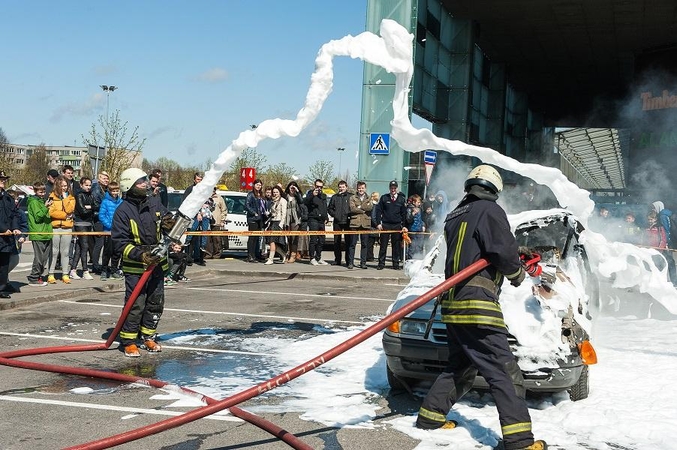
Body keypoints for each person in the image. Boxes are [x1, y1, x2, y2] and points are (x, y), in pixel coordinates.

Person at [415, 165, 546, 450]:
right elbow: (502, 251)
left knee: (460, 367)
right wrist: (517, 273)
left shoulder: (455, 215)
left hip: (452, 303)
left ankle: (430, 416)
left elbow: (478, 250)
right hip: (478, 304)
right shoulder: (490, 210)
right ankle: (520, 441)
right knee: (504, 372)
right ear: (494, 190)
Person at [112, 168, 172, 358]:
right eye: (141, 182)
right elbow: (119, 243)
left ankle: (148, 335)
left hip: (157, 263)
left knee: (155, 301)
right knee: (136, 303)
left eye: (146, 180)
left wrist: (169, 222)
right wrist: (141, 256)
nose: (146, 183)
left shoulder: (154, 202)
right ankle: (129, 341)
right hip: (136, 266)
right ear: (129, 186)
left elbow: (165, 217)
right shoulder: (122, 211)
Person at [47, 175, 76, 284]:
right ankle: (51, 274)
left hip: (67, 228)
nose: (64, 188)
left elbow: (70, 209)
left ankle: (65, 274)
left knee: (65, 252)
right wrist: (64, 216)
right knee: (54, 252)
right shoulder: (52, 196)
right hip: (55, 227)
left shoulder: (71, 198)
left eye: (66, 186)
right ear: (57, 186)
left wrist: (65, 198)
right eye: (62, 186)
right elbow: (51, 212)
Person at [374, 180, 407, 270]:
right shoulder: (384, 198)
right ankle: (381, 263)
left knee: (396, 246)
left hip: (396, 225)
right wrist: (378, 223)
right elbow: (378, 211)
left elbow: (404, 214)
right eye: (391, 188)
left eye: (394, 188)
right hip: (386, 225)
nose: (393, 189)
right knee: (383, 245)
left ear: (397, 188)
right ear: (389, 188)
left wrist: (404, 225)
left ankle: (395, 264)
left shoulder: (401, 199)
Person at [26, 182, 53, 286]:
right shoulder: (33, 202)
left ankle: (38, 276)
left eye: (44, 192)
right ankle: (34, 277)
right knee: (39, 258)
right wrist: (46, 207)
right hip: (38, 233)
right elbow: (38, 217)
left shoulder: (42, 201)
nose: (42, 194)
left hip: (46, 233)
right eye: (40, 192)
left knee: (44, 258)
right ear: (35, 191)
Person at [0, 170, 21, 298]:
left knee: (4, 265)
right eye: (0, 178)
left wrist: (15, 228)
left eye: (3, 179)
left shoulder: (7, 197)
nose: (3, 180)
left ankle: (1, 289)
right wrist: (2, 229)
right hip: (2, 233)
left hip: (6, 238)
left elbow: (14, 215)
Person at [70, 177, 96, 280]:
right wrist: (90, 208)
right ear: (81, 185)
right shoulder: (79, 195)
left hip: (88, 223)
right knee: (84, 246)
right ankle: (85, 270)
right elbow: (83, 211)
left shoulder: (90, 195)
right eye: (86, 185)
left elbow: (97, 206)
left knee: (80, 247)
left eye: (90, 185)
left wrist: (91, 207)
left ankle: (73, 270)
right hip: (80, 223)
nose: (88, 187)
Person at [98, 181, 124, 281]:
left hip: (119, 231)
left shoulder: (121, 202)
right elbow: (102, 216)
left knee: (117, 252)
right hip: (108, 231)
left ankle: (114, 270)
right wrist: (110, 225)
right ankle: (104, 270)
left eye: (117, 191)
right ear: (109, 191)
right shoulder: (105, 202)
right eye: (113, 191)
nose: (115, 193)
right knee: (107, 251)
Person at [4, 189, 28, 294]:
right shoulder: (4, 211)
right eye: (14, 199)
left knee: (14, 260)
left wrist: (22, 235)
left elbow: (24, 226)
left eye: (17, 199)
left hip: (14, 241)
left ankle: (4, 280)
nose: (16, 201)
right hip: (4, 240)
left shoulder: (20, 213)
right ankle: (4, 281)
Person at [348, 181, 372, 269]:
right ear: (357, 188)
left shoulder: (369, 197)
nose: (360, 189)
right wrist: (362, 209)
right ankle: (350, 262)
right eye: (359, 188)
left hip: (365, 224)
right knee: (352, 244)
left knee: (365, 244)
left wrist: (359, 207)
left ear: (365, 188)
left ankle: (363, 263)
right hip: (355, 223)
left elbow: (370, 207)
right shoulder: (352, 197)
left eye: (362, 188)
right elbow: (352, 209)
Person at [650, 201, 676, 284]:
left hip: (666, 242)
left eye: (654, 207)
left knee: (668, 260)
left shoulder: (662, 216)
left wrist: (667, 243)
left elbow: (666, 230)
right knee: (669, 261)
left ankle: (672, 281)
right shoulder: (667, 214)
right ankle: (672, 281)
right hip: (669, 241)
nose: (653, 209)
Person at [327, 180, 352, 267]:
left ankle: (349, 261)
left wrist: (350, 215)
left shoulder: (350, 196)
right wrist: (335, 215)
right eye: (340, 187)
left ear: (346, 187)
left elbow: (353, 208)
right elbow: (329, 208)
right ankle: (337, 260)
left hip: (347, 222)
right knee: (336, 241)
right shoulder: (334, 197)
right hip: (337, 222)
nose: (341, 188)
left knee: (348, 242)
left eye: (343, 187)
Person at [305, 179, 329, 266]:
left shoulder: (323, 196)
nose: (319, 188)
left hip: (321, 220)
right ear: (314, 186)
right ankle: (312, 258)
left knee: (321, 240)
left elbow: (324, 207)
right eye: (317, 186)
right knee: (313, 240)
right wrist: (312, 195)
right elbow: (305, 202)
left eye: (321, 187)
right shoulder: (310, 194)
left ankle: (318, 257)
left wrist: (326, 217)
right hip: (313, 219)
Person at [264, 185, 288, 265]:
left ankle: (271, 259)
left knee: (273, 241)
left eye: (276, 192)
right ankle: (283, 254)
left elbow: (284, 213)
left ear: (280, 192)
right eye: (273, 192)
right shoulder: (272, 201)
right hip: (272, 222)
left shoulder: (283, 201)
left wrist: (281, 224)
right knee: (271, 241)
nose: (275, 194)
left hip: (278, 222)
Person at [245, 179, 266, 263]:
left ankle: (255, 255)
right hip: (252, 219)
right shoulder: (250, 194)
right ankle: (250, 255)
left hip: (259, 219)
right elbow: (247, 205)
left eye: (260, 185)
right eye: (257, 184)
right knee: (252, 237)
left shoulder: (260, 195)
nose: (258, 186)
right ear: (253, 185)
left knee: (257, 238)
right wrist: (254, 213)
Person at [205, 187, 228, 259]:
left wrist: (222, 220)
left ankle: (217, 254)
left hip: (216, 222)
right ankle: (208, 254)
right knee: (207, 240)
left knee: (216, 239)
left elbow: (224, 210)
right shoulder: (205, 197)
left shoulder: (219, 198)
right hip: (207, 222)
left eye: (213, 189)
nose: (212, 191)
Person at [284, 181, 303, 263]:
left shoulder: (297, 196)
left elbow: (302, 201)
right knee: (288, 237)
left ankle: (293, 254)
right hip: (287, 218)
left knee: (294, 237)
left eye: (294, 187)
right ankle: (289, 252)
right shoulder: (285, 196)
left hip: (296, 218)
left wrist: (297, 191)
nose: (292, 189)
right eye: (291, 187)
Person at [405, 194, 425, 259]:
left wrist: (423, 225)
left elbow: (421, 219)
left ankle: (418, 259)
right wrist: (412, 214)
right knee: (412, 247)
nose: (419, 204)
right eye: (418, 202)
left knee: (419, 246)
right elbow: (408, 220)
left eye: (420, 202)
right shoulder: (409, 209)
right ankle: (410, 260)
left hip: (419, 231)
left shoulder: (420, 209)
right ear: (414, 202)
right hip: (413, 231)